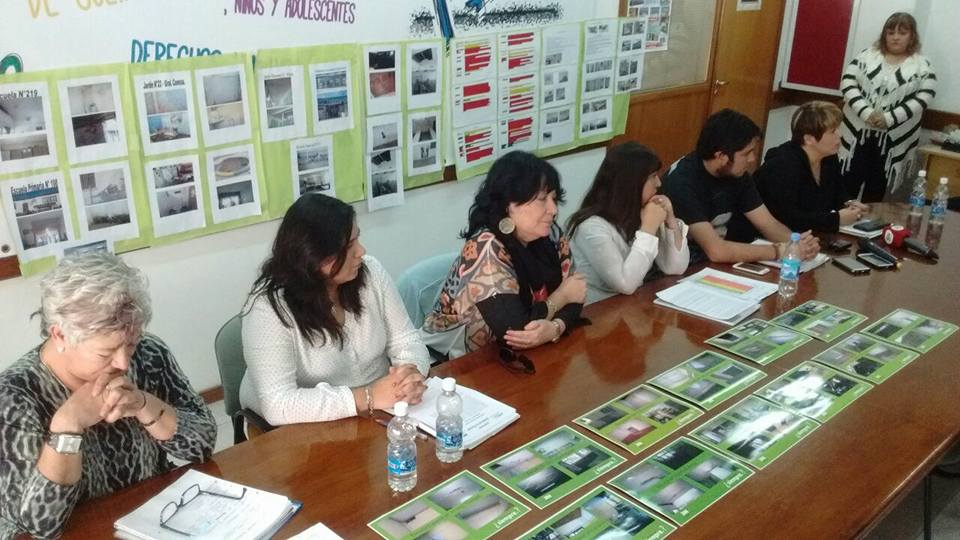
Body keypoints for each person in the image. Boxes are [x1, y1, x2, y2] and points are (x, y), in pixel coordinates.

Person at [0, 253, 216, 539]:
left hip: (154, 517)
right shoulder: (14, 397)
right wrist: (68, 425)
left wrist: (144, 404)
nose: (124, 363)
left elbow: (202, 446)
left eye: (131, 343)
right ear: (60, 336)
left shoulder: (148, 354)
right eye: (106, 352)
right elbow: (39, 527)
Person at [240, 193, 429, 425]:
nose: (361, 251)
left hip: (381, 412)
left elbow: (407, 340)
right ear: (313, 255)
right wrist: (367, 397)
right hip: (310, 427)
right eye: (349, 246)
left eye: (357, 239)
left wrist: (408, 376)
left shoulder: (371, 273)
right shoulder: (268, 309)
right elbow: (278, 403)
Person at [421, 151, 586, 359]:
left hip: (512, 357)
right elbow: (515, 331)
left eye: (554, 198)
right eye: (542, 199)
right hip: (455, 364)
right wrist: (562, 296)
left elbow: (578, 293)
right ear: (509, 204)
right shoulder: (485, 247)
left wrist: (555, 328)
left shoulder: (550, 233)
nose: (553, 209)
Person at [661, 108, 820, 264]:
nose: (752, 159)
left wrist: (798, 244)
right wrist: (780, 251)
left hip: (712, 263)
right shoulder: (682, 183)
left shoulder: (737, 173)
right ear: (721, 156)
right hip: (682, 267)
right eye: (747, 153)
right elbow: (716, 251)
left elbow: (768, 224)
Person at [567, 142, 689, 304]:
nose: (659, 183)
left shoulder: (642, 212)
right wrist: (648, 229)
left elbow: (675, 268)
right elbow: (625, 284)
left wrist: (670, 221)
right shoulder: (591, 227)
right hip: (597, 313)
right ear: (631, 182)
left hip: (631, 307)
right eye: (652, 176)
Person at [840, 12, 936, 202]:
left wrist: (889, 118)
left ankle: (865, 229)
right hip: (857, 135)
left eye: (902, 32)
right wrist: (866, 113)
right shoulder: (866, 56)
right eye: (890, 32)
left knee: (876, 191)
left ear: (912, 36)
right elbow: (847, 83)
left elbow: (925, 97)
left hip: (891, 140)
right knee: (845, 185)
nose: (895, 37)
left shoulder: (922, 66)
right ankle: (837, 222)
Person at [756, 101, 870, 232]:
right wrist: (836, 219)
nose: (840, 134)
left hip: (810, 235)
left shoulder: (829, 157)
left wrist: (848, 204)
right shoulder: (782, 165)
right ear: (809, 139)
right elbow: (788, 218)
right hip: (768, 238)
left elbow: (838, 193)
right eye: (833, 131)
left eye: (839, 128)